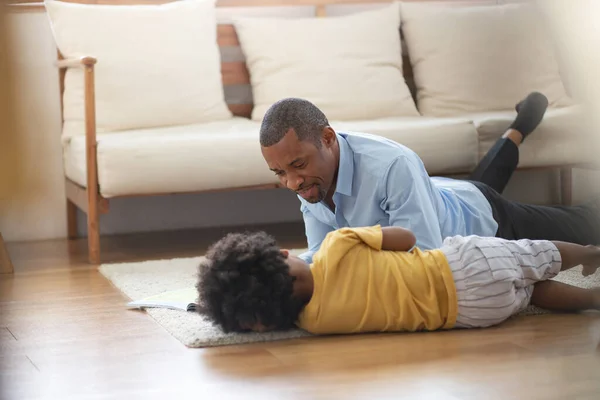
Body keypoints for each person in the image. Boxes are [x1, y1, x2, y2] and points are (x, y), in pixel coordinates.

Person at [258, 94, 600, 264]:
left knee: (585, 224)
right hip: (440, 193)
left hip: (486, 220)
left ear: (328, 138)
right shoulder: (308, 178)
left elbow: (423, 258)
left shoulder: (392, 166)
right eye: (280, 174)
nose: (292, 183)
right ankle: (520, 127)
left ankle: (521, 125)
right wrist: (284, 266)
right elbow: (321, 255)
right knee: (477, 183)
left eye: (297, 165)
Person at [196, 225, 600, 335]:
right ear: (281, 254)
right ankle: (587, 254)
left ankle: (594, 299)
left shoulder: (317, 324)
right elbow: (406, 238)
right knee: (534, 254)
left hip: (474, 313)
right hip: (465, 265)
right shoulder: (337, 245)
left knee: (533, 293)